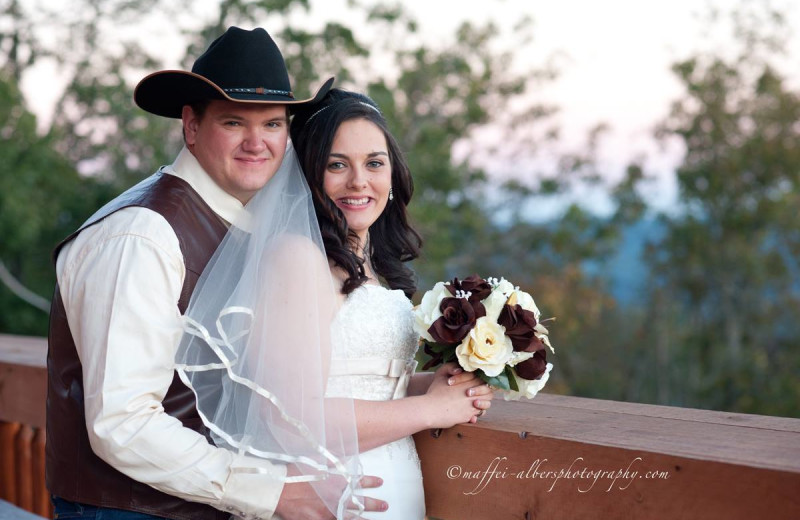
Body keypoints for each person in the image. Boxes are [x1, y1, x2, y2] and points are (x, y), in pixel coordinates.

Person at [46, 27, 384, 520]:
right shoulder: (142, 235)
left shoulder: (240, 224)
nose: (257, 142)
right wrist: (272, 492)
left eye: (272, 124)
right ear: (191, 126)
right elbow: (122, 423)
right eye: (233, 122)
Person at [289, 89, 495, 518]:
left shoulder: (376, 264)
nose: (359, 181)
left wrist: (444, 384)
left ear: (392, 173)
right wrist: (430, 409)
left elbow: (366, 383)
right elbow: (295, 416)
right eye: (337, 164)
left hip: (394, 482)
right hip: (333, 491)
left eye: (374, 163)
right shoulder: (299, 259)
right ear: (309, 175)